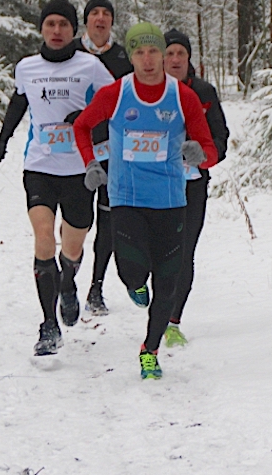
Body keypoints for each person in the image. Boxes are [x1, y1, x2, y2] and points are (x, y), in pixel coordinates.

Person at [73, 23, 218, 379]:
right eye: (140, 52)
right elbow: (81, 126)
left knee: (167, 282)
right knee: (131, 270)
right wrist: (90, 163)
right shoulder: (115, 94)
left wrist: (200, 155)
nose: (148, 60)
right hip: (127, 197)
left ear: (163, 55)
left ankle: (150, 351)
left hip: (170, 200)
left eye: (154, 52)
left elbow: (209, 148)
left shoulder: (183, 97)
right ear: (131, 57)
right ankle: (135, 284)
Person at [0, 0, 115, 356]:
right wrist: (2, 141)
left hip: (79, 170)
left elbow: (115, 105)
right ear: (42, 29)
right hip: (39, 166)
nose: (57, 31)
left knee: (72, 247)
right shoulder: (27, 67)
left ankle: (68, 282)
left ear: (74, 30)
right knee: (43, 238)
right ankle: (49, 326)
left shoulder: (90, 66)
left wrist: (87, 120)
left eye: (63, 24)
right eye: (50, 24)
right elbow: (18, 103)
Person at [161, 29, 230, 347]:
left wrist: (203, 155)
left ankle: (173, 321)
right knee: (156, 250)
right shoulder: (145, 92)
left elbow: (220, 138)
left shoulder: (204, 92)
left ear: (189, 59)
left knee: (184, 251)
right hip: (154, 183)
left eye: (181, 54)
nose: (175, 59)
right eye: (170, 53)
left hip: (192, 185)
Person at [73, 0, 132, 316]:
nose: (100, 18)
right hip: (76, 151)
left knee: (107, 221)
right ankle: (69, 279)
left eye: (106, 13)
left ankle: (96, 288)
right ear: (86, 21)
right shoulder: (71, 53)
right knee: (78, 221)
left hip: (113, 150)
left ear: (111, 21)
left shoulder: (123, 57)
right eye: (94, 13)